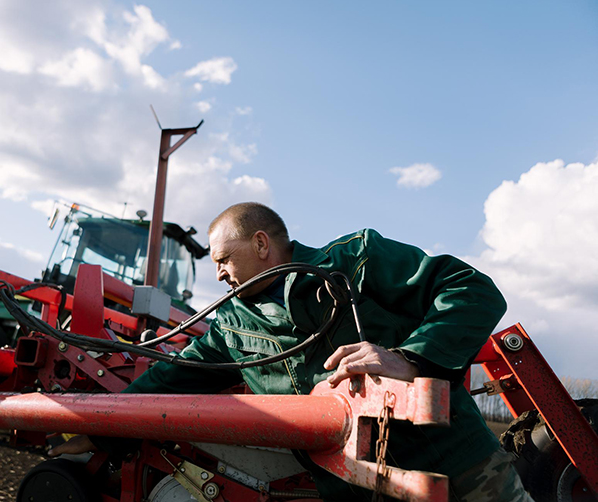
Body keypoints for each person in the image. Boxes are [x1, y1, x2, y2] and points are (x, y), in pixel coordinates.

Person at [51, 202, 533, 502]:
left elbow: (472, 290)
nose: (217, 274)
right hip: (355, 490)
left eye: (222, 260)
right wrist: (98, 426)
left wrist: (409, 357)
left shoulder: (354, 261)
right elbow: (168, 380)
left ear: (261, 243)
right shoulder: (233, 328)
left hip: (458, 467)